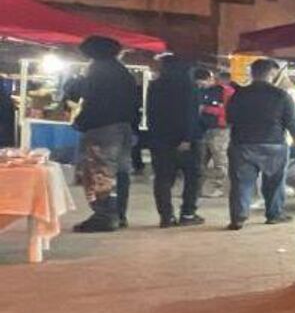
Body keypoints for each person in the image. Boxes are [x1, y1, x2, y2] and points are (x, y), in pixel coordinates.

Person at [65, 36, 142, 233]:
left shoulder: (97, 71)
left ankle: (104, 216)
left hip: (102, 128)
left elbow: (91, 101)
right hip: (124, 127)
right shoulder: (123, 72)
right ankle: (119, 214)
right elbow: (135, 103)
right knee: (121, 172)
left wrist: (80, 122)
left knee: (99, 171)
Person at [225, 57, 295, 229]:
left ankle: (238, 218)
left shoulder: (239, 95)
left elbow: (229, 119)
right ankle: (274, 214)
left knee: (241, 183)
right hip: (273, 144)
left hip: (242, 143)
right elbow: (291, 120)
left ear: (252, 74)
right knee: (274, 182)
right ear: (272, 74)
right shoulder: (281, 95)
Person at [146, 53, 206, 227]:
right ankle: (187, 213)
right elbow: (191, 114)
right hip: (186, 140)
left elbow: (151, 114)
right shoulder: (189, 86)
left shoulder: (155, 86)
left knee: (163, 178)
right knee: (192, 177)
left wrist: (154, 136)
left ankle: (166, 216)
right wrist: (187, 137)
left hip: (160, 139)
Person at [197, 69, 230, 199]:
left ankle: (218, 188)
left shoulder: (224, 92)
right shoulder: (201, 92)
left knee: (220, 161)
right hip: (203, 130)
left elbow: (227, 111)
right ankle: (197, 188)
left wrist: (205, 109)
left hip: (220, 131)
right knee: (200, 160)